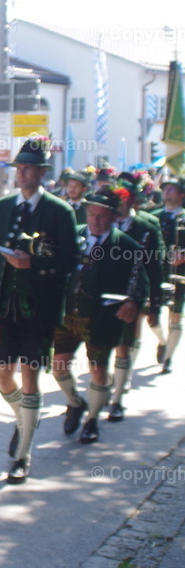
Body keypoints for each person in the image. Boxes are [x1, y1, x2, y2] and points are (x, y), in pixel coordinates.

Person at [0, 135, 77, 484]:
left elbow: (70, 260)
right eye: (19, 167)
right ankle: (25, 418)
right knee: (2, 376)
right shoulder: (4, 207)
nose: (22, 173)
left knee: (29, 375)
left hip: (40, 308)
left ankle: (23, 454)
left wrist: (34, 267)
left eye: (28, 168)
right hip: (7, 307)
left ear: (41, 172)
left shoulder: (59, 210)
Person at [51, 186, 147, 444]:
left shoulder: (126, 245)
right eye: (92, 213)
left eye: (102, 215)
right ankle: (75, 402)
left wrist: (134, 302)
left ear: (114, 216)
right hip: (68, 315)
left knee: (98, 370)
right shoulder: (73, 236)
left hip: (101, 318)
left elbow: (140, 282)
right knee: (58, 365)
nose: (96, 220)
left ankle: (92, 419)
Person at [108, 173, 165, 420]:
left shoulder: (147, 226)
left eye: (125, 199)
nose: (119, 204)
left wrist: (155, 305)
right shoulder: (102, 220)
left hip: (132, 293)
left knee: (124, 345)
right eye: (116, 199)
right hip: (101, 293)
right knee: (98, 349)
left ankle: (118, 398)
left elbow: (155, 269)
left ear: (133, 201)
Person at [153, 176, 185, 374]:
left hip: (181, 273)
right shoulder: (154, 215)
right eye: (165, 189)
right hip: (157, 271)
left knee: (175, 316)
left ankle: (169, 358)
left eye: (172, 189)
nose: (167, 192)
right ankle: (162, 341)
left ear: (182, 194)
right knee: (152, 318)